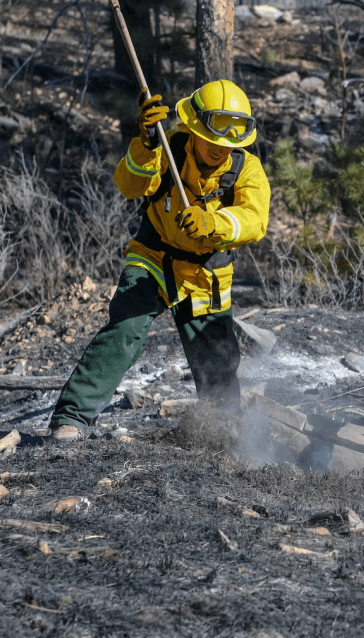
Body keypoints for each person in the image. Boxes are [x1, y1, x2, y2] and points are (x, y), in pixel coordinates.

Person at [47, 79, 270, 441]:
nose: (221, 149)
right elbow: (128, 185)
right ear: (194, 130)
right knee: (125, 329)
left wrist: (212, 222)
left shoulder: (247, 170)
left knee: (217, 359)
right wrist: (147, 145)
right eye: (213, 140)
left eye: (230, 143)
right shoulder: (167, 148)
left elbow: (255, 220)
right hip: (155, 257)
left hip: (205, 275)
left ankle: (224, 431)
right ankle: (71, 419)